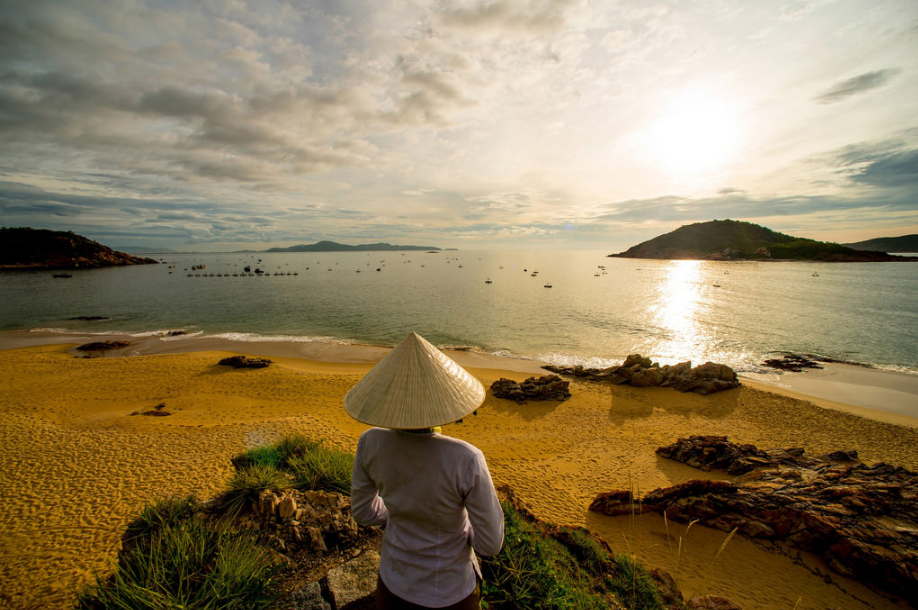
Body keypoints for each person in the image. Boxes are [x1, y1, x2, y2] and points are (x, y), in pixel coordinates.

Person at [345, 332, 505, 609]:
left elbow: (363, 512)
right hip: (452, 593)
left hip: (392, 586)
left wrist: (398, 512)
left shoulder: (370, 442)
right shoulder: (466, 459)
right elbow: (490, 545)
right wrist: (461, 531)